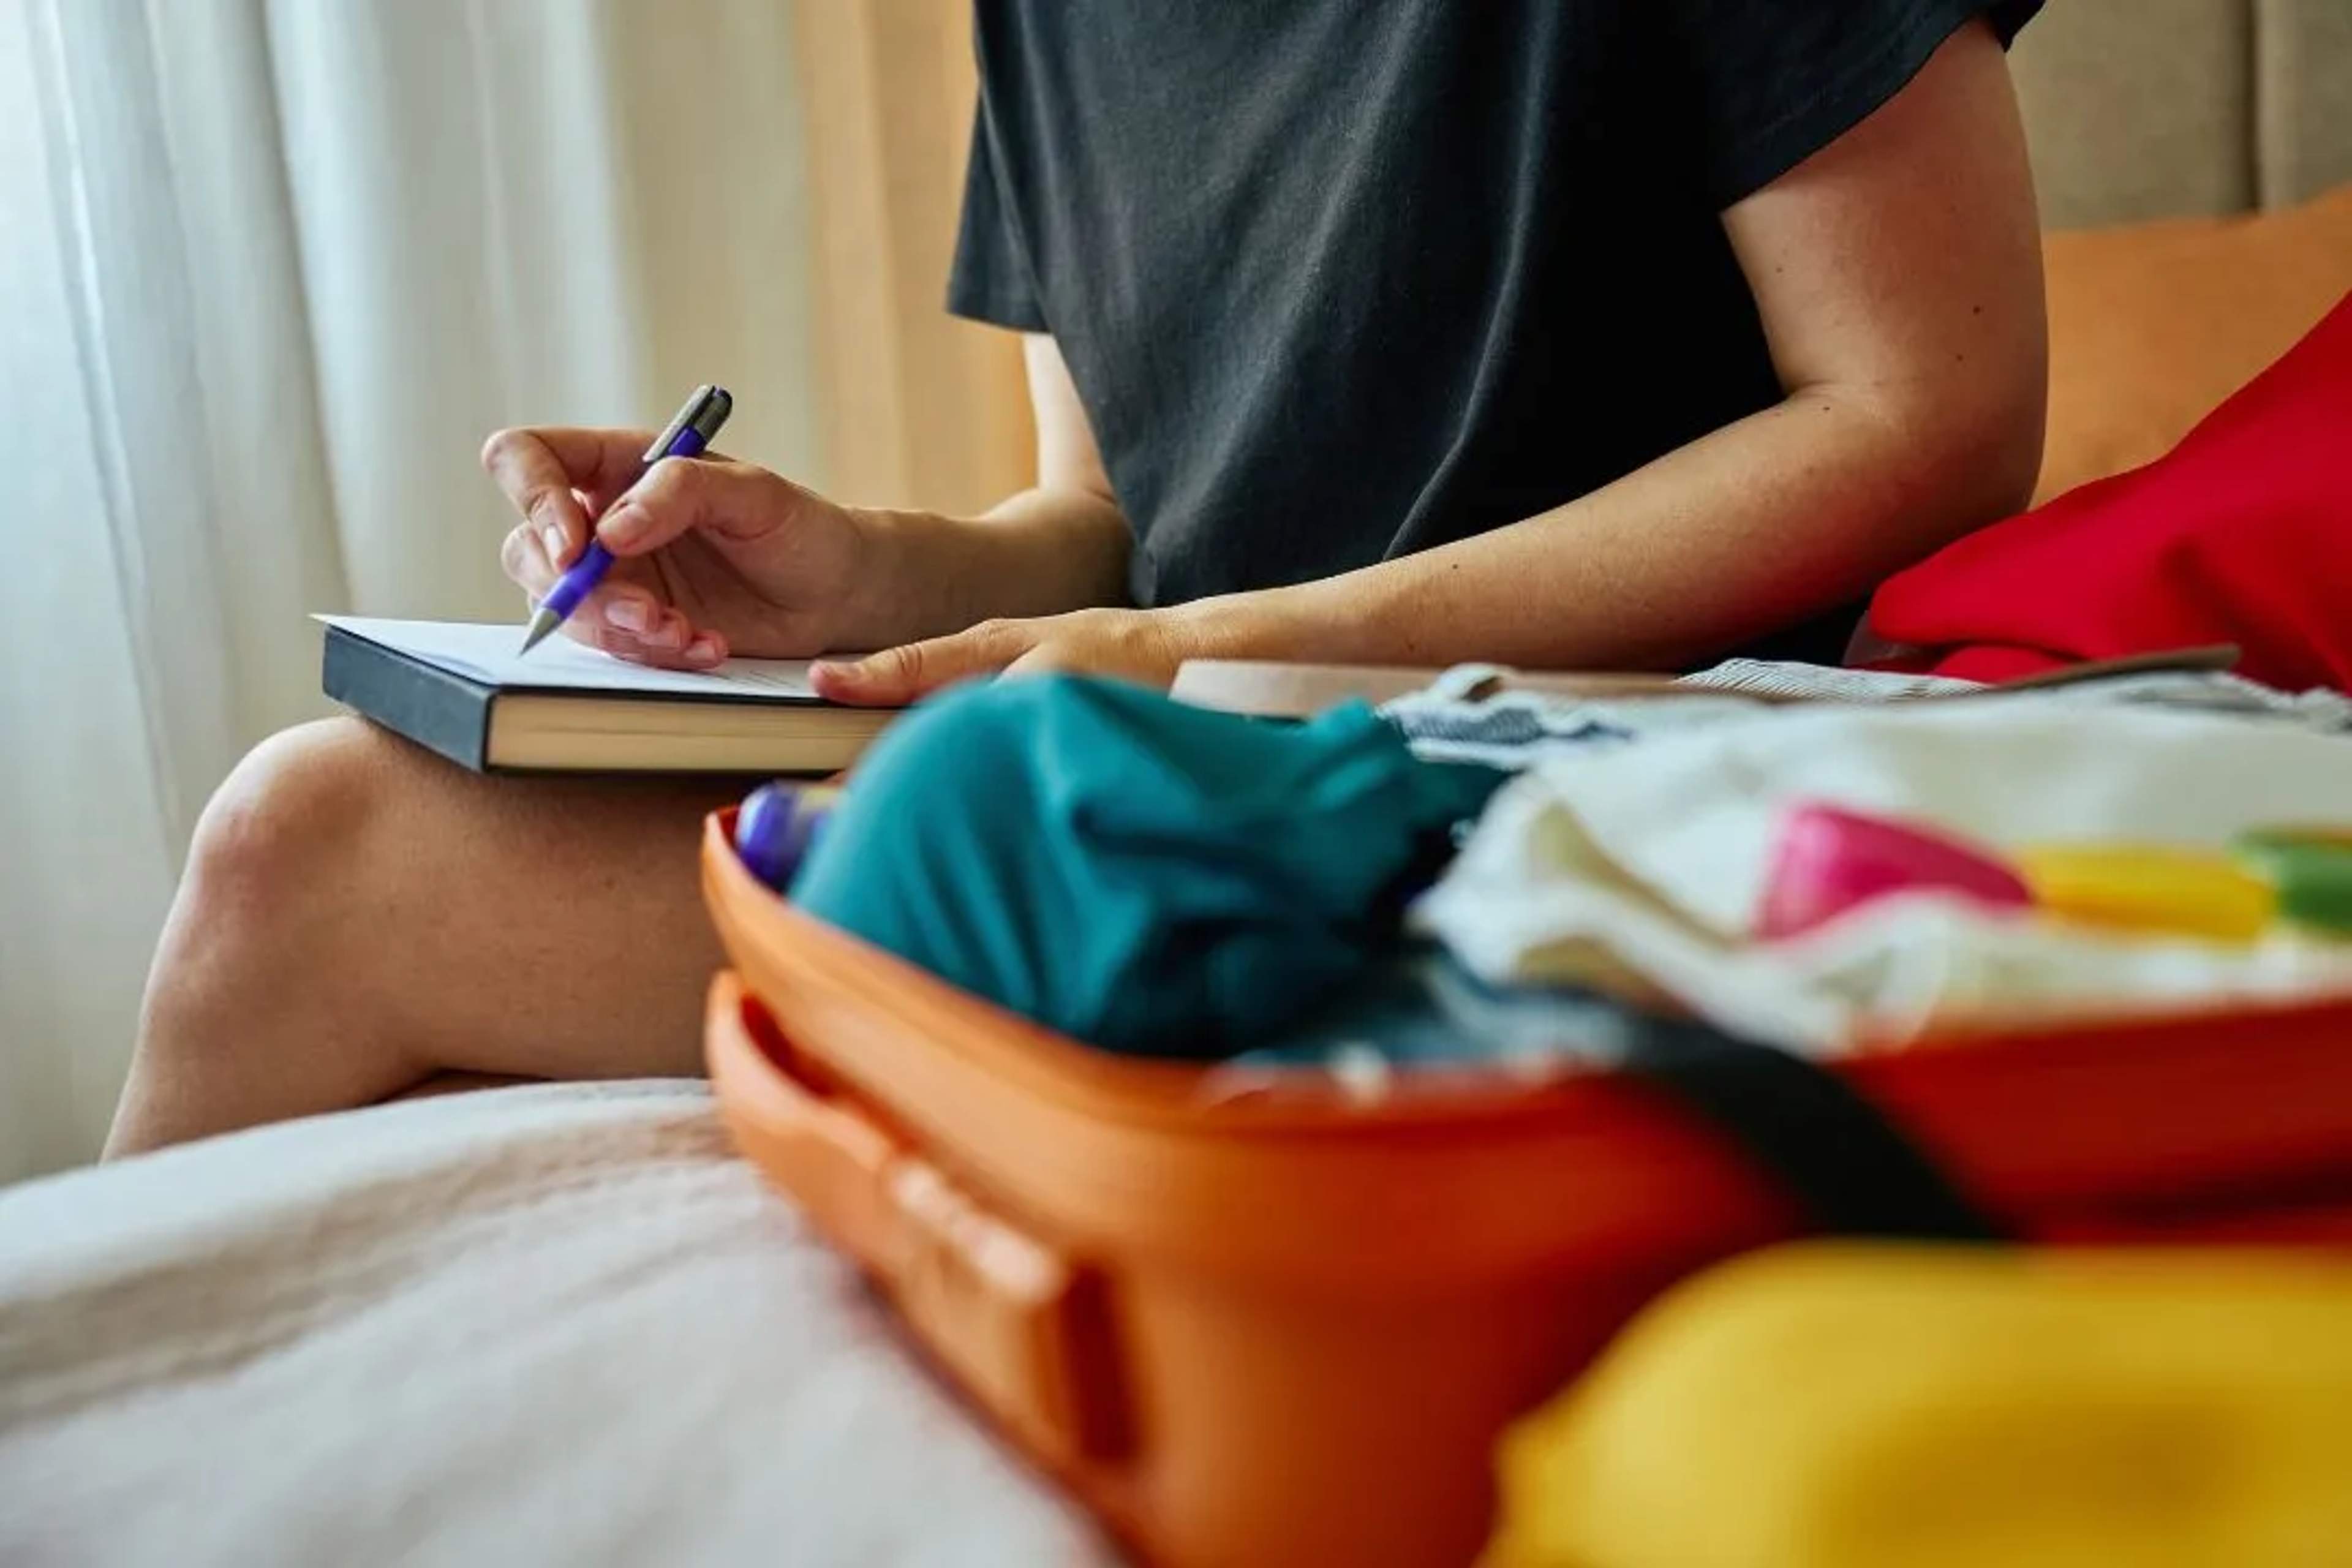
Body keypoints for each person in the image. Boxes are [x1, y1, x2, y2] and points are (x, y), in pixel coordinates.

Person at [108, 1, 2048, 1154]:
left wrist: (1194, 648)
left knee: (313, 849)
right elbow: (1110, 521)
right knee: (329, 866)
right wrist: (845, 568)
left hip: (1574, 783)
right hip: (1183, 753)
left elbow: (1928, 412)